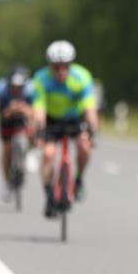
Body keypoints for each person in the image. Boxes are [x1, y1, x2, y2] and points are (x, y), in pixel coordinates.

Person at [32, 41, 98, 218]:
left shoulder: (82, 77)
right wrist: (39, 129)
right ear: (50, 65)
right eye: (56, 67)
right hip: (52, 120)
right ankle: (49, 196)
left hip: (74, 119)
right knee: (48, 154)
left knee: (85, 146)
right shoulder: (41, 79)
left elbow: (90, 108)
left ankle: (78, 180)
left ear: (71, 64)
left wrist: (92, 130)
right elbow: (39, 109)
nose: (61, 71)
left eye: (65, 66)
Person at [0, 65, 35, 201]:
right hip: (7, 121)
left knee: (33, 132)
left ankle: (27, 153)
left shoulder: (31, 90)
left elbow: (35, 112)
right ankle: (7, 182)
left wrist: (24, 109)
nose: (17, 90)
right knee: (7, 148)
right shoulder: (2, 90)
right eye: (14, 87)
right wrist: (10, 111)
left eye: (20, 87)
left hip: (24, 120)